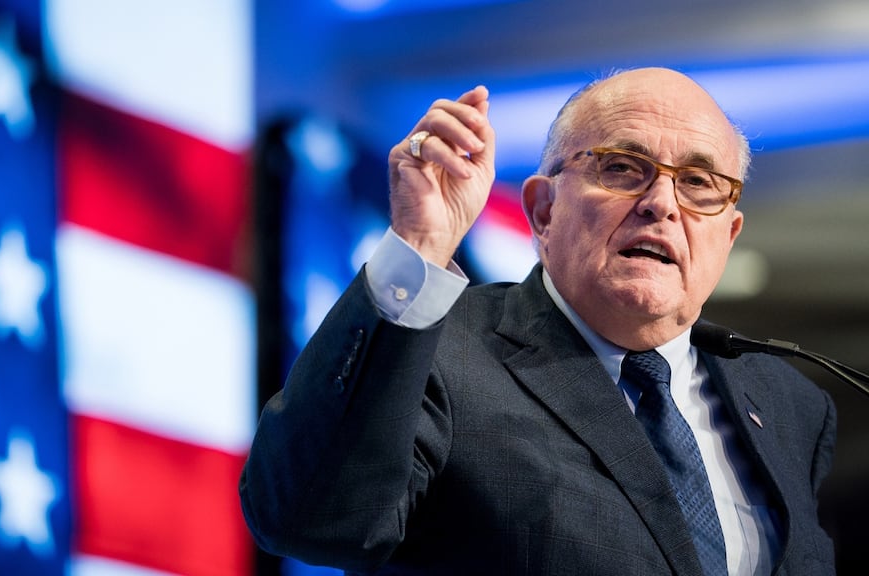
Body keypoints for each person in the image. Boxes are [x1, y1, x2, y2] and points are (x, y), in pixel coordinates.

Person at [239, 67, 837, 575]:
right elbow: (309, 516)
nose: (662, 202)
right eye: (623, 168)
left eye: (699, 183)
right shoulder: (436, 348)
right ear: (543, 210)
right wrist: (418, 244)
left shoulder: (790, 404)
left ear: (728, 235)